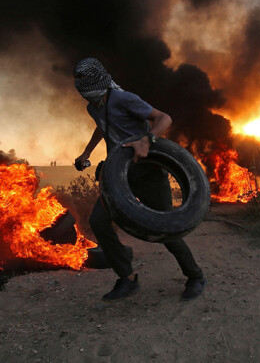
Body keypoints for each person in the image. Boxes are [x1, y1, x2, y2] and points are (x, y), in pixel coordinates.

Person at [73, 57, 206, 301]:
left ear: (98, 80)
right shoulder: (94, 107)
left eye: (85, 81)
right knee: (99, 221)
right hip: (117, 174)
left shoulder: (124, 99)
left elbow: (164, 118)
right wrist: (87, 152)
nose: (82, 88)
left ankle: (195, 275)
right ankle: (128, 277)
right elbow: (103, 126)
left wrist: (148, 139)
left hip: (147, 172)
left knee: (165, 229)